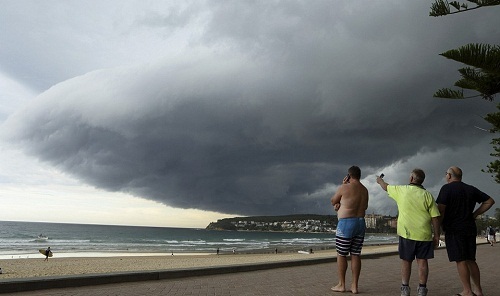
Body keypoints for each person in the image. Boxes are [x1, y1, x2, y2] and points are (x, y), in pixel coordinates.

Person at [376, 169, 440, 296]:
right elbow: (435, 217)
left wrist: (380, 180)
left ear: (411, 179)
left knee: (406, 261)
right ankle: (422, 289)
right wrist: (437, 235)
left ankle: (405, 288)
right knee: (422, 262)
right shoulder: (428, 195)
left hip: (407, 234)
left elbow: (385, 187)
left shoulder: (401, 190)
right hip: (424, 234)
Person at [436, 166, 495, 296]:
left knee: (460, 259)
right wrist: (474, 214)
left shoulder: (446, 189)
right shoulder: (470, 189)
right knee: (470, 259)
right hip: (469, 228)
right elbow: (490, 201)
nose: (446, 176)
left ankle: (467, 291)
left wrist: (436, 230)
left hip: (454, 229)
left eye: (446, 174)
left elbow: (440, 210)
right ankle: (478, 290)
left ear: (450, 176)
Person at [330, 166, 368, 294]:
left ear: (349, 176)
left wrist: (343, 185)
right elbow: (364, 206)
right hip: (361, 223)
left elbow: (333, 200)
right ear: (359, 175)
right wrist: (341, 206)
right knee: (356, 254)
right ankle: (354, 286)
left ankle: (341, 284)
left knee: (341, 254)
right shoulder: (365, 190)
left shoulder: (344, 187)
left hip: (346, 223)